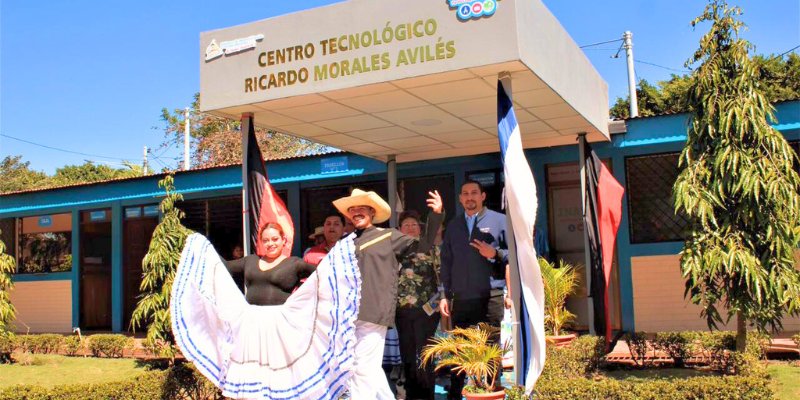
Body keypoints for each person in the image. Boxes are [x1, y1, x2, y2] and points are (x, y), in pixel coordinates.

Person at [333, 188, 444, 400]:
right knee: (361, 367)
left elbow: (424, 244)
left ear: (372, 212)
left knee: (364, 366)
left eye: (362, 209)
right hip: (348, 314)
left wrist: (436, 214)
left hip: (375, 312)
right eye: (353, 209)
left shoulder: (388, 236)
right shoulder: (346, 243)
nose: (357, 212)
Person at [439, 179, 507, 399]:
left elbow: (517, 255)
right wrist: (444, 294)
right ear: (460, 198)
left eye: (474, 193)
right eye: (465, 193)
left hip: (491, 296)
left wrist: (494, 254)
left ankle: (491, 390)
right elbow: (446, 262)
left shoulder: (500, 221)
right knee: (460, 347)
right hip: (462, 298)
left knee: (490, 347)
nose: (470, 197)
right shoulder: (453, 226)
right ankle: (456, 393)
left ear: (483, 196)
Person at [394, 210, 441, 400]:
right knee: (407, 354)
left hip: (426, 311)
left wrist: (440, 302)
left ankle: (428, 393)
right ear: (399, 229)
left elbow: (442, 276)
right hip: (402, 311)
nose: (410, 228)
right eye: (406, 225)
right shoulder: (394, 250)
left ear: (420, 229)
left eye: (414, 224)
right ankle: (412, 394)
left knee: (425, 354)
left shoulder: (430, 248)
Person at [224, 222, 315, 306]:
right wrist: (209, 248)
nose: (270, 243)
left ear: (283, 240)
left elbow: (322, 274)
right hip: (253, 320)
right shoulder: (250, 260)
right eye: (266, 240)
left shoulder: (295, 263)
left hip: (280, 321)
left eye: (275, 239)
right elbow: (223, 266)